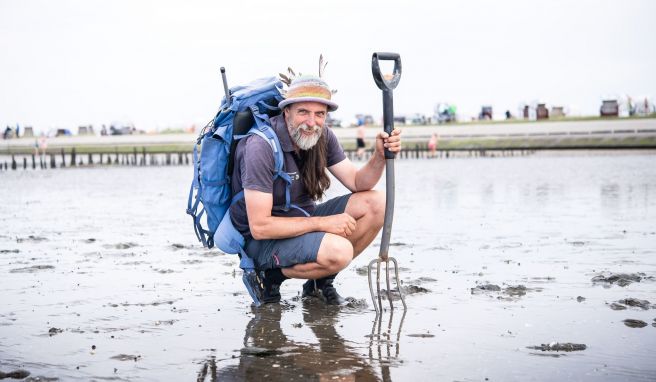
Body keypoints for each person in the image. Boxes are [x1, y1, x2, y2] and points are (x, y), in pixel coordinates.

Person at [230, 74, 402, 306]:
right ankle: (269, 276)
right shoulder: (260, 147)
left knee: (378, 203)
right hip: (262, 240)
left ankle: (319, 284)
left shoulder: (323, 136)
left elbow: (358, 182)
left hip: (301, 220)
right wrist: (324, 224)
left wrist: (379, 156)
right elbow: (260, 227)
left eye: (319, 114)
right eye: (303, 112)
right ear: (286, 111)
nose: (312, 122)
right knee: (340, 252)